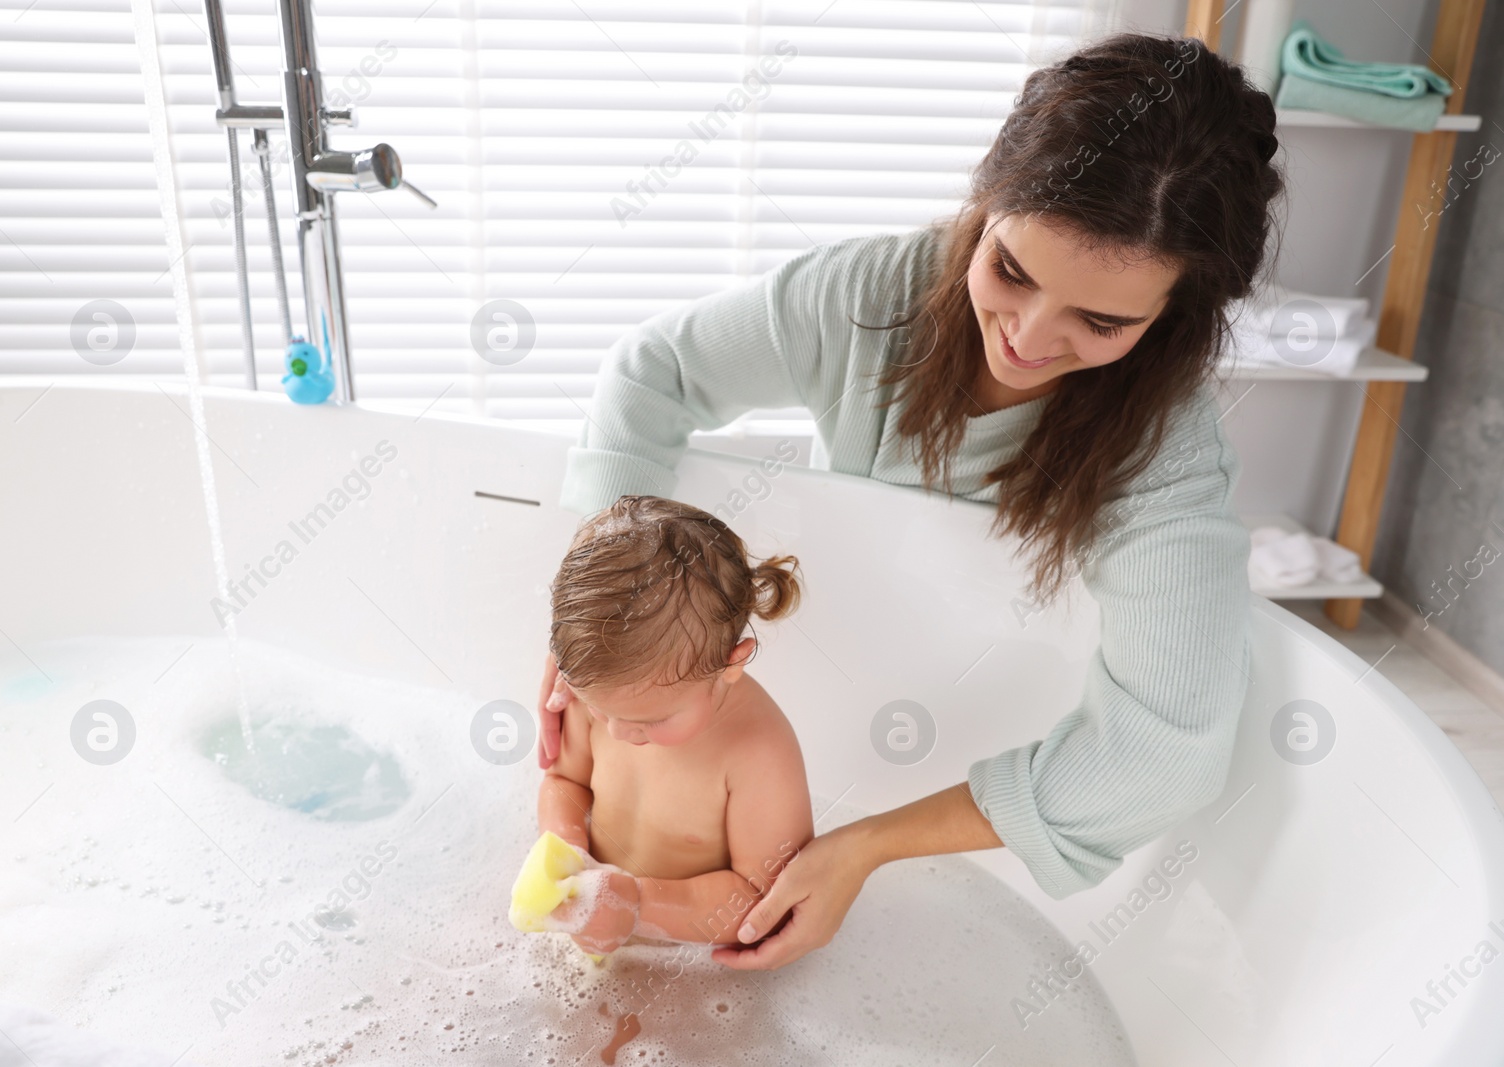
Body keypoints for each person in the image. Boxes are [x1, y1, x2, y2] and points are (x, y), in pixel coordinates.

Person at [537, 32, 1282, 970]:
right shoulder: (874, 294)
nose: (1025, 337)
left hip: (955, 767)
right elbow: (654, 373)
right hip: (837, 703)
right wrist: (606, 610)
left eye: (1099, 321)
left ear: (1175, 314)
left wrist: (866, 845)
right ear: (986, 202)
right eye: (1010, 270)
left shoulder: (1164, 454)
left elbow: (1164, 751)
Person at [535, 495, 814, 956]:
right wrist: (566, 849)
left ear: (731, 664)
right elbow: (564, 781)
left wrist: (640, 906)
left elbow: (765, 901)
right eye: (602, 712)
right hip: (594, 940)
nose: (619, 732)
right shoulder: (602, 691)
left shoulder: (758, 750)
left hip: (694, 960)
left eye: (653, 720)